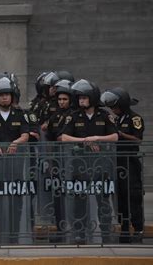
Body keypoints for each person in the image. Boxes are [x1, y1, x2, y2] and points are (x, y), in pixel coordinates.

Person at [59, 79, 118, 243]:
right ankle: (79, 232)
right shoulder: (74, 116)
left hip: (101, 164)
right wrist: (84, 140)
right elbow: (64, 137)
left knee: (103, 200)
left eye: (84, 98)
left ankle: (106, 231)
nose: (81, 101)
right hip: (80, 164)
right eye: (79, 98)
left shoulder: (104, 115)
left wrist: (97, 138)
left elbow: (115, 136)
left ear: (92, 98)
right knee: (79, 199)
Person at [0, 76, 30, 243]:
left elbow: (25, 135)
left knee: (15, 198)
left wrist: (16, 142)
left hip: (15, 163)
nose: (4, 97)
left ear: (12, 96)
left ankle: (14, 235)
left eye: (7, 94)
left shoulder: (19, 113)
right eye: (1, 95)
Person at [101, 87, 144, 243]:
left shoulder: (134, 118)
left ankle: (138, 229)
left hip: (130, 162)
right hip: (116, 162)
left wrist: (120, 135)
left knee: (133, 196)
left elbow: (138, 139)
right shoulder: (115, 119)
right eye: (111, 107)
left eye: (115, 106)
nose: (113, 110)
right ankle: (124, 229)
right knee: (120, 198)